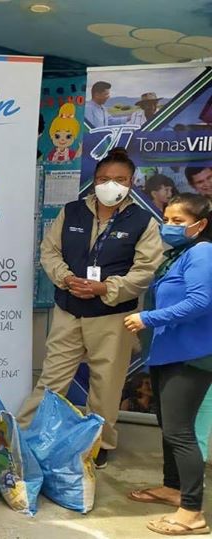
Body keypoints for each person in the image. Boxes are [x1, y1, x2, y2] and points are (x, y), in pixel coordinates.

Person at [17, 148, 164, 469]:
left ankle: (99, 444)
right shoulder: (72, 212)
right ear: (94, 181)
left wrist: (106, 288)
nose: (111, 185)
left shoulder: (142, 222)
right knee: (52, 379)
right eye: (104, 179)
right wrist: (66, 278)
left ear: (132, 182)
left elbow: (145, 270)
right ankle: (23, 437)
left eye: (120, 179)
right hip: (69, 310)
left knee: (106, 386)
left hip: (112, 316)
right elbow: (49, 251)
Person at [124, 193, 212, 536]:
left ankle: (192, 511)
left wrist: (148, 318)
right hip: (167, 354)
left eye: (178, 221)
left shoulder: (202, 252)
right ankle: (172, 487)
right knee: (169, 427)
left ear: (200, 225)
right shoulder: (179, 255)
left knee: (180, 432)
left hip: (190, 357)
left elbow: (201, 302)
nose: (169, 226)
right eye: (166, 219)